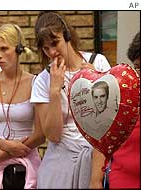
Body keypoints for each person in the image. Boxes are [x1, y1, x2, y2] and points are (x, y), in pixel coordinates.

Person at [30, 11, 111, 189]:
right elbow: (53, 135)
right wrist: (54, 91)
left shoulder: (98, 63)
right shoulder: (43, 80)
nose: (52, 52)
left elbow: (109, 121)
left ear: (67, 36)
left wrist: (98, 80)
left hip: (95, 159)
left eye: (55, 43)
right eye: (45, 48)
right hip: (59, 165)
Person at [0, 23, 45, 189]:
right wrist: (2, 145)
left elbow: (41, 133)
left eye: (3, 49)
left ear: (19, 49)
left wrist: (8, 152)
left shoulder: (35, 82)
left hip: (25, 162)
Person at [90, 31, 140, 189]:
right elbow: (103, 137)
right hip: (123, 179)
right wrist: (96, 181)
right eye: (138, 67)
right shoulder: (123, 96)